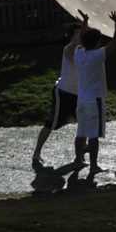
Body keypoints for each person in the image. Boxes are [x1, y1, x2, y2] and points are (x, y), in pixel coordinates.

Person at [74, 10, 116, 174]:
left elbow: (82, 38)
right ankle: (93, 166)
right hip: (95, 101)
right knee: (93, 135)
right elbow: (115, 43)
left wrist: (85, 22)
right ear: (96, 43)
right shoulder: (97, 55)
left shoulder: (78, 53)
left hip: (81, 100)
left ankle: (78, 160)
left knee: (81, 131)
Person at [31, 19, 82, 168]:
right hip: (64, 93)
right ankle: (36, 153)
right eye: (78, 34)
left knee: (83, 125)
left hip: (79, 94)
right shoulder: (69, 49)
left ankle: (79, 157)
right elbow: (74, 55)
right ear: (72, 36)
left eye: (82, 34)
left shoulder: (85, 50)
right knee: (52, 123)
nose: (80, 36)